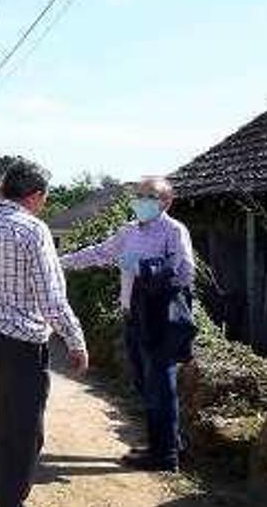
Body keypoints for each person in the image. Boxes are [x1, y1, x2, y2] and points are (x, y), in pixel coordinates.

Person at [0, 160, 89, 507]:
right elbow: (52, 299)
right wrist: (76, 341)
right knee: (21, 429)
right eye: (44, 198)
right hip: (18, 338)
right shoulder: (33, 231)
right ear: (34, 196)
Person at [60, 177, 195, 472]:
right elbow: (99, 252)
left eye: (150, 196)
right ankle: (168, 443)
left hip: (159, 317)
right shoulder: (129, 231)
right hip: (133, 316)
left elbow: (184, 272)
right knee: (144, 383)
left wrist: (144, 267)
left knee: (161, 385)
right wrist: (58, 262)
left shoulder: (174, 231)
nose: (141, 201)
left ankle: (165, 456)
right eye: (139, 195)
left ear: (166, 202)